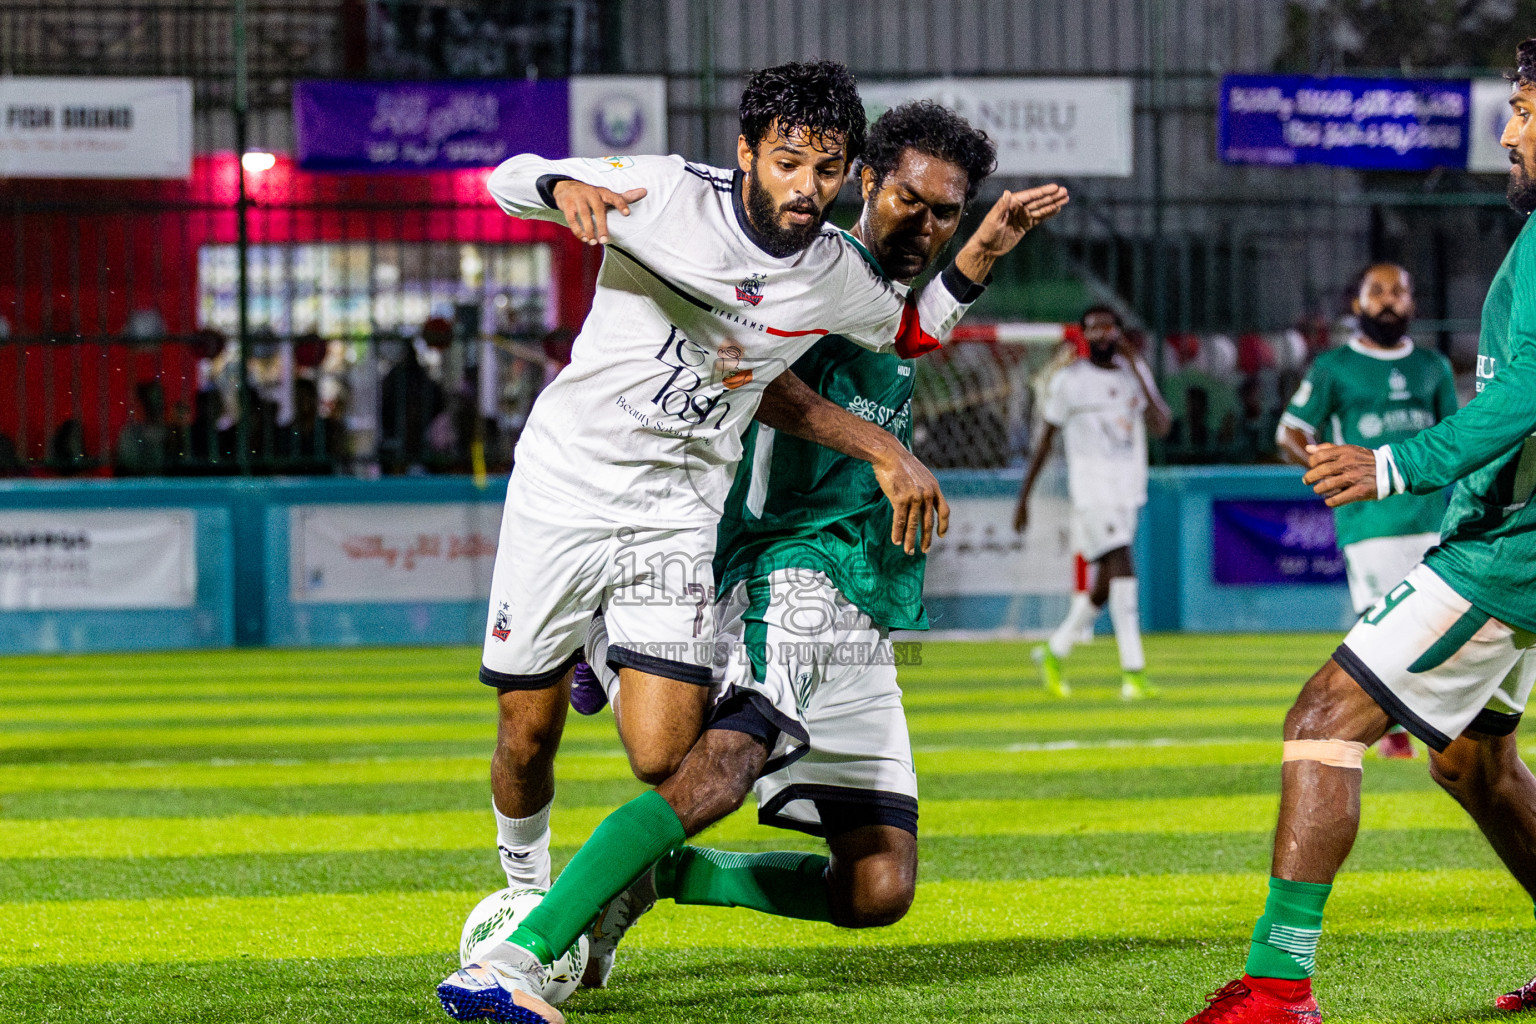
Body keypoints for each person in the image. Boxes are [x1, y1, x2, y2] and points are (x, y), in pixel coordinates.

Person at [438, 61, 994, 1024]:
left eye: (824, 170)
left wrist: (986, 250)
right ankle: (527, 900)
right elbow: (505, 176)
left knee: (670, 761)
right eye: (788, 164)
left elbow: (904, 332)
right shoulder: (660, 194)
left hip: (679, 511)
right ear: (747, 152)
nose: (804, 189)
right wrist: (559, 186)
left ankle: (613, 852)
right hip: (569, 486)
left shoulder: (834, 271)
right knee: (527, 733)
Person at [1179, 41, 1536, 1024]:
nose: (1507, 132)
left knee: (1321, 722)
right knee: (1474, 761)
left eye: (1524, 110)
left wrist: (1391, 464)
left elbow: (1526, 403)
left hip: (1504, 554)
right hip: (1504, 545)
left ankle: (1278, 988)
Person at [1277, 264, 1458, 759]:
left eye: (1397, 291)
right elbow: (1290, 432)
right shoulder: (1333, 367)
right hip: (1369, 522)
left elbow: (1456, 440)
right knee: (1381, 624)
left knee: (1441, 626)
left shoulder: (1433, 367)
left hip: (1432, 521)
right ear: (1356, 304)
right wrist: (1326, 467)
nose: (1387, 301)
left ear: (1413, 303)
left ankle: (1443, 727)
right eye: (1375, 292)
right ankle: (1395, 734)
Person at [1011, 306, 1171, 700]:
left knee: (1102, 587)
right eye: (1094, 327)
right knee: (1123, 564)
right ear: (1083, 335)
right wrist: (1024, 497)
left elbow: (1162, 424)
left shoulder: (1133, 375)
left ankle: (1054, 650)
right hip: (1093, 489)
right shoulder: (1069, 381)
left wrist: (1137, 368)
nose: (1103, 333)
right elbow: (1046, 440)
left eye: (1109, 326)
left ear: (1119, 331)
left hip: (1128, 488)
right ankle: (1133, 673)